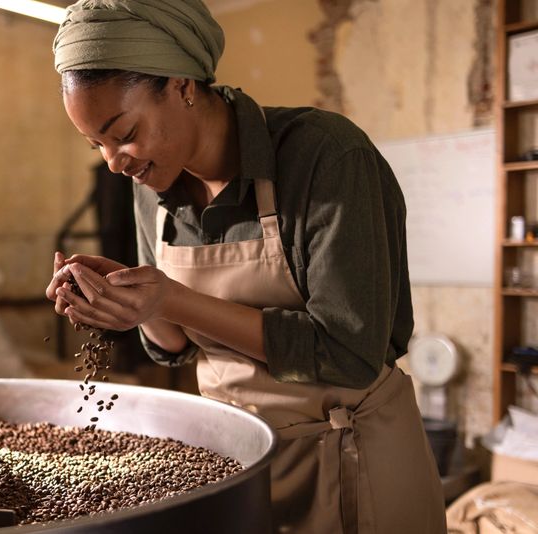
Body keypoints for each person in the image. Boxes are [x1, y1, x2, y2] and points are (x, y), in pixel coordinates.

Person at [45, 1, 446, 532]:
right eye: (97, 143)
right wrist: (125, 301)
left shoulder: (323, 156)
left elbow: (350, 353)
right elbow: (175, 346)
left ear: (183, 86)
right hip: (240, 458)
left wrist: (171, 299)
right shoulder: (153, 189)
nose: (115, 161)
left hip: (351, 455)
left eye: (124, 132)